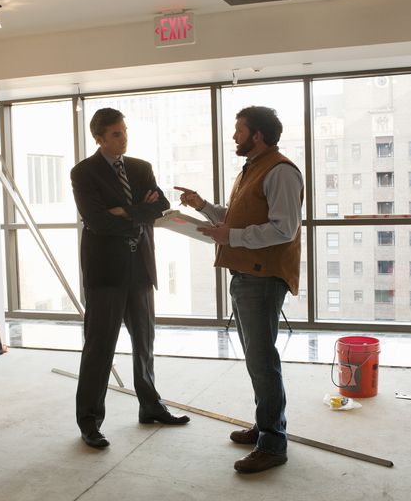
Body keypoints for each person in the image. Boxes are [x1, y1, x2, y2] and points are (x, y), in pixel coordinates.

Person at [175, 106, 303, 473]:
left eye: (239, 130)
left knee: (263, 363)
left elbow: (284, 229)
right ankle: (266, 427)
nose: (234, 136)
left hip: (262, 279)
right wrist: (201, 206)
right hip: (247, 276)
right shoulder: (253, 169)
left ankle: (273, 444)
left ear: (257, 135)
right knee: (256, 360)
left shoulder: (281, 172)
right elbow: (236, 218)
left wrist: (229, 235)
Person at [71, 107, 190, 449]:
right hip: (105, 272)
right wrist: (139, 211)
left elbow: (161, 206)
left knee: (144, 344)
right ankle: (90, 422)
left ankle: (150, 406)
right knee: (99, 349)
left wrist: (125, 211)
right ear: (99, 138)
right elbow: (96, 221)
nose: (124, 138)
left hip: (140, 269)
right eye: (116, 134)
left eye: (124, 131)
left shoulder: (140, 168)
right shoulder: (84, 173)